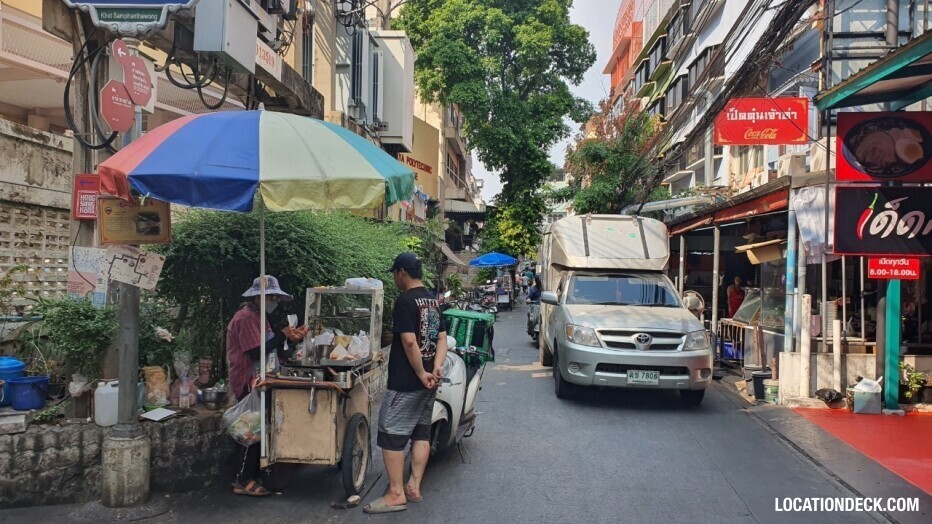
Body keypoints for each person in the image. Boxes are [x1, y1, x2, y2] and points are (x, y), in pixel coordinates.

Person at [364, 253, 448, 514]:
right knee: (421, 432)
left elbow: (409, 341)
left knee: (390, 434)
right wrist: (435, 368)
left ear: (402, 272)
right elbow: (443, 338)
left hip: (407, 382)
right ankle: (413, 486)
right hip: (430, 381)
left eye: (394, 273)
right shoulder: (433, 301)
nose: (394, 278)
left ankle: (396, 494)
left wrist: (421, 373)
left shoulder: (405, 301)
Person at [226, 275, 307, 497]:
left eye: (275, 297)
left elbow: (272, 349)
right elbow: (255, 352)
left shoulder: (261, 318)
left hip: (263, 377)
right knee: (248, 431)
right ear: (258, 298)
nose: (274, 300)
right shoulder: (245, 318)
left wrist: (291, 340)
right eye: (271, 296)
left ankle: (253, 473)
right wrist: (282, 335)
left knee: (258, 428)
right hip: (247, 380)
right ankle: (240, 479)